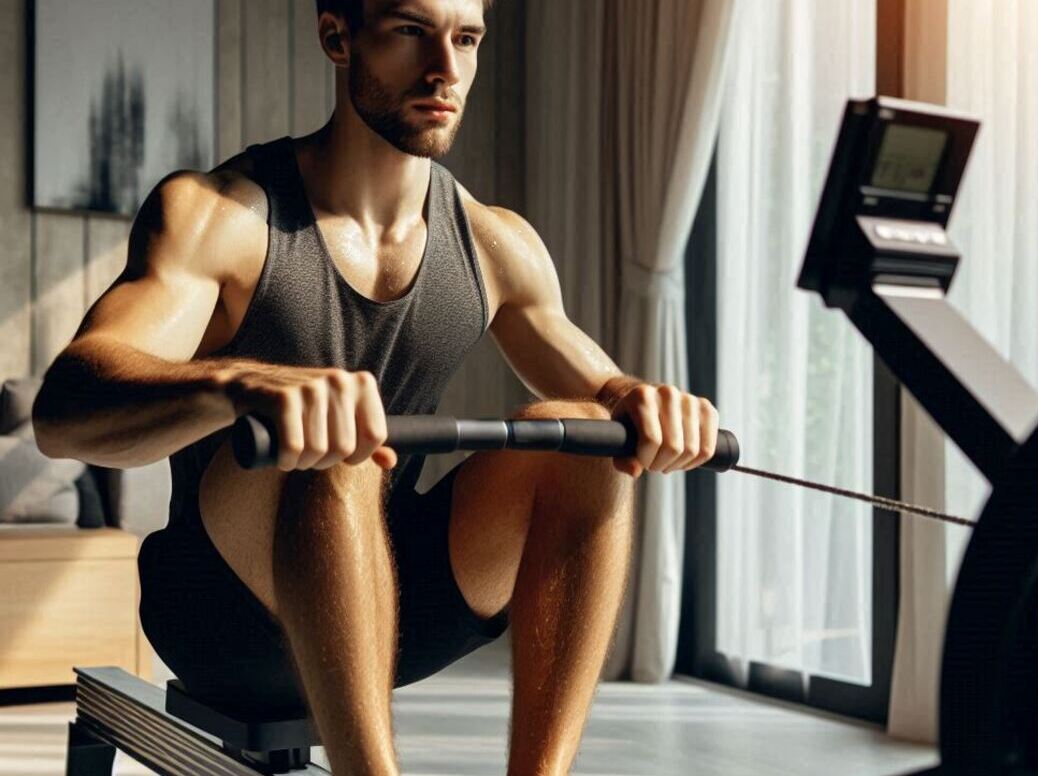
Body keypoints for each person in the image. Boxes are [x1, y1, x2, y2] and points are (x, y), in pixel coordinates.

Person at [32, 0, 721, 773]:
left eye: (466, 39)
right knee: (343, 451)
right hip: (220, 614)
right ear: (337, 36)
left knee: (586, 440)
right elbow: (63, 412)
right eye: (408, 31)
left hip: (385, 602)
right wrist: (238, 383)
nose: (445, 69)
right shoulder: (221, 215)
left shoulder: (497, 242)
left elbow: (605, 387)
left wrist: (650, 403)